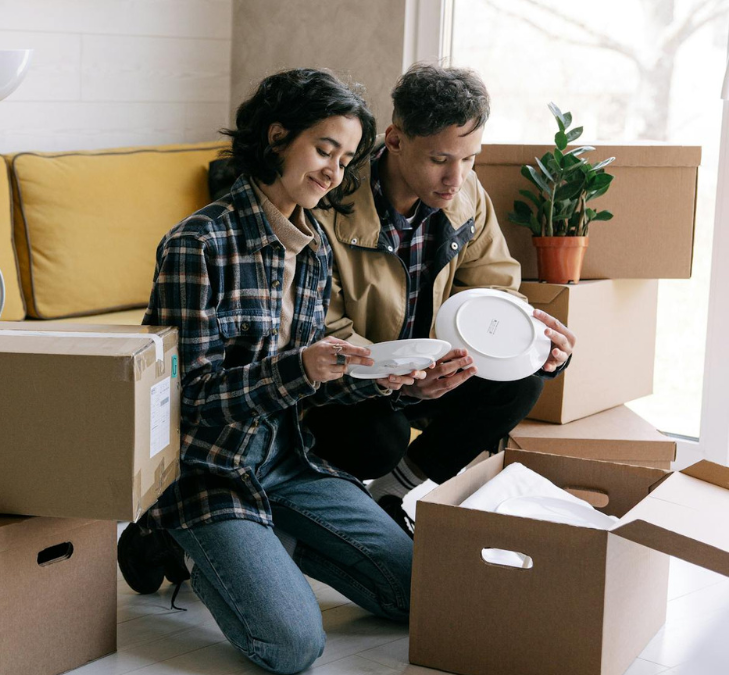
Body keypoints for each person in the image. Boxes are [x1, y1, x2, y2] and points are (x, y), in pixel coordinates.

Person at [116, 69, 423, 675]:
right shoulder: (197, 243)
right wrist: (299, 368)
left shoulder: (311, 247)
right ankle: (170, 534)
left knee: (421, 593)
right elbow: (186, 396)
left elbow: (305, 386)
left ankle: (269, 543)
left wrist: (369, 380)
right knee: (291, 647)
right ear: (278, 136)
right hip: (209, 469)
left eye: (345, 158)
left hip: (290, 460)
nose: (334, 171)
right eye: (323, 149)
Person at [303, 63, 577, 536]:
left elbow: (494, 291)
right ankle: (321, 505)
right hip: (354, 383)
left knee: (525, 380)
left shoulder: (467, 195)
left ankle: (393, 490)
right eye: (440, 160)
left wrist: (530, 343)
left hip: (435, 372)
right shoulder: (330, 207)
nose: (457, 177)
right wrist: (403, 380)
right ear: (394, 140)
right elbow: (321, 333)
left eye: (470, 158)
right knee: (378, 439)